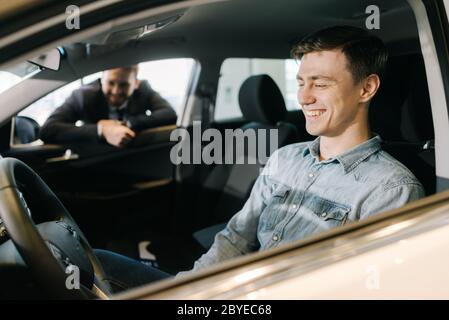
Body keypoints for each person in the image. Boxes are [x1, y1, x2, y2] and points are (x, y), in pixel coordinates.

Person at [93, 25, 425, 291]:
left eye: (321, 84)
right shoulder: (284, 159)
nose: (304, 97)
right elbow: (236, 237)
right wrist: (189, 290)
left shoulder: (390, 189)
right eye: (301, 83)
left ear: (366, 89)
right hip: (230, 290)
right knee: (95, 263)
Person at [39, 65, 177, 147]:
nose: (116, 91)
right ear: (101, 80)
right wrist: (102, 130)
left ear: (136, 83)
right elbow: (48, 130)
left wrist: (126, 124)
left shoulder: (144, 89)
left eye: (124, 85)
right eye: (110, 83)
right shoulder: (82, 96)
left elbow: (169, 114)